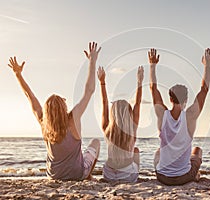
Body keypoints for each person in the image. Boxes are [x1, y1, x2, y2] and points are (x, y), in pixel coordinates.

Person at [8, 42, 101, 180]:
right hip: (77, 174)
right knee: (95, 143)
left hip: (53, 176)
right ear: (63, 108)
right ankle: (87, 175)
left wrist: (18, 75)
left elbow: (30, 96)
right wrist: (92, 62)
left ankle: (84, 173)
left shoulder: (44, 123)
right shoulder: (72, 119)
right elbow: (89, 91)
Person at [149, 48, 210, 185]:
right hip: (185, 177)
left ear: (170, 99)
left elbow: (153, 88)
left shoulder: (162, 114)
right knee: (197, 151)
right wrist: (207, 66)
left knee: (158, 153)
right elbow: (204, 89)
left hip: (163, 177)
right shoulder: (190, 116)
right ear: (186, 100)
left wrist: (152, 66)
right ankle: (195, 175)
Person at [98, 65, 144, 182]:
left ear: (113, 113)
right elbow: (137, 103)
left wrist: (102, 82)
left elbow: (104, 103)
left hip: (108, 175)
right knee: (136, 151)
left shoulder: (107, 129)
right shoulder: (132, 128)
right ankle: (133, 174)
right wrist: (139, 82)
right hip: (127, 176)